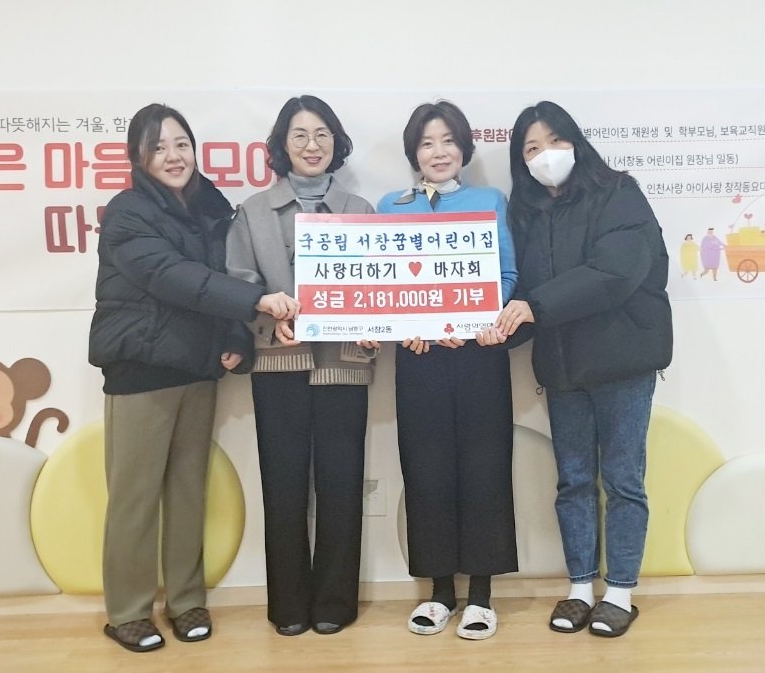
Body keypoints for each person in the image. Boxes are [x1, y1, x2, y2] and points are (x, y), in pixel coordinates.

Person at [89, 103, 299, 652]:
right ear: (138, 156)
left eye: (181, 143)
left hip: (199, 368)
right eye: (158, 147)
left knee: (188, 492)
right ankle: (129, 611)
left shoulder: (213, 207)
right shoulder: (127, 213)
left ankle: (185, 602)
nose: (173, 156)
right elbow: (175, 277)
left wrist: (237, 340)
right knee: (135, 497)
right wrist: (258, 300)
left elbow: (222, 278)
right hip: (142, 369)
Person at [478, 101, 672, 638]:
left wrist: (532, 307)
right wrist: (491, 330)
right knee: (574, 482)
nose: (546, 155)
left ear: (576, 142)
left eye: (554, 141)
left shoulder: (618, 193)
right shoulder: (528, 214)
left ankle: (621, 592)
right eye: (531, 148)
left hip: (623, 363)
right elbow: (525, 296)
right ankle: (581, 587)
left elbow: (615, 272)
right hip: (563, 370)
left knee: (623, 480)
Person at [225, 95, 378, 637]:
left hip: (344, 364)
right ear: (282, 146)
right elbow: (239, 285)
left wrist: (374, 324)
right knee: (283, 486)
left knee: (342, 485)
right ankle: (287, 604)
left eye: (321, 135)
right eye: (299, 135)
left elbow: (378, 287)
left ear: (336, 143)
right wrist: (267, 316)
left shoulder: (360, 210)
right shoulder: (252, 211)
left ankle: (335, 601)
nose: (312, 146)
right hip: (278, 362)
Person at [377, 100, 518, 641]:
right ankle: (439, 593)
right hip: (419, 357)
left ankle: (481, 595)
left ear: (464, 148)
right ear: (413, 152)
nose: (439, 152)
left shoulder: (490, 200)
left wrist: (476, 319)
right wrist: (404, 326)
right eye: (427, 143)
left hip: (480, 352)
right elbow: (381, 284)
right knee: (426, 468)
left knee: (485, 467)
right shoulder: (391, 207)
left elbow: (506, 274)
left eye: (448, 141)